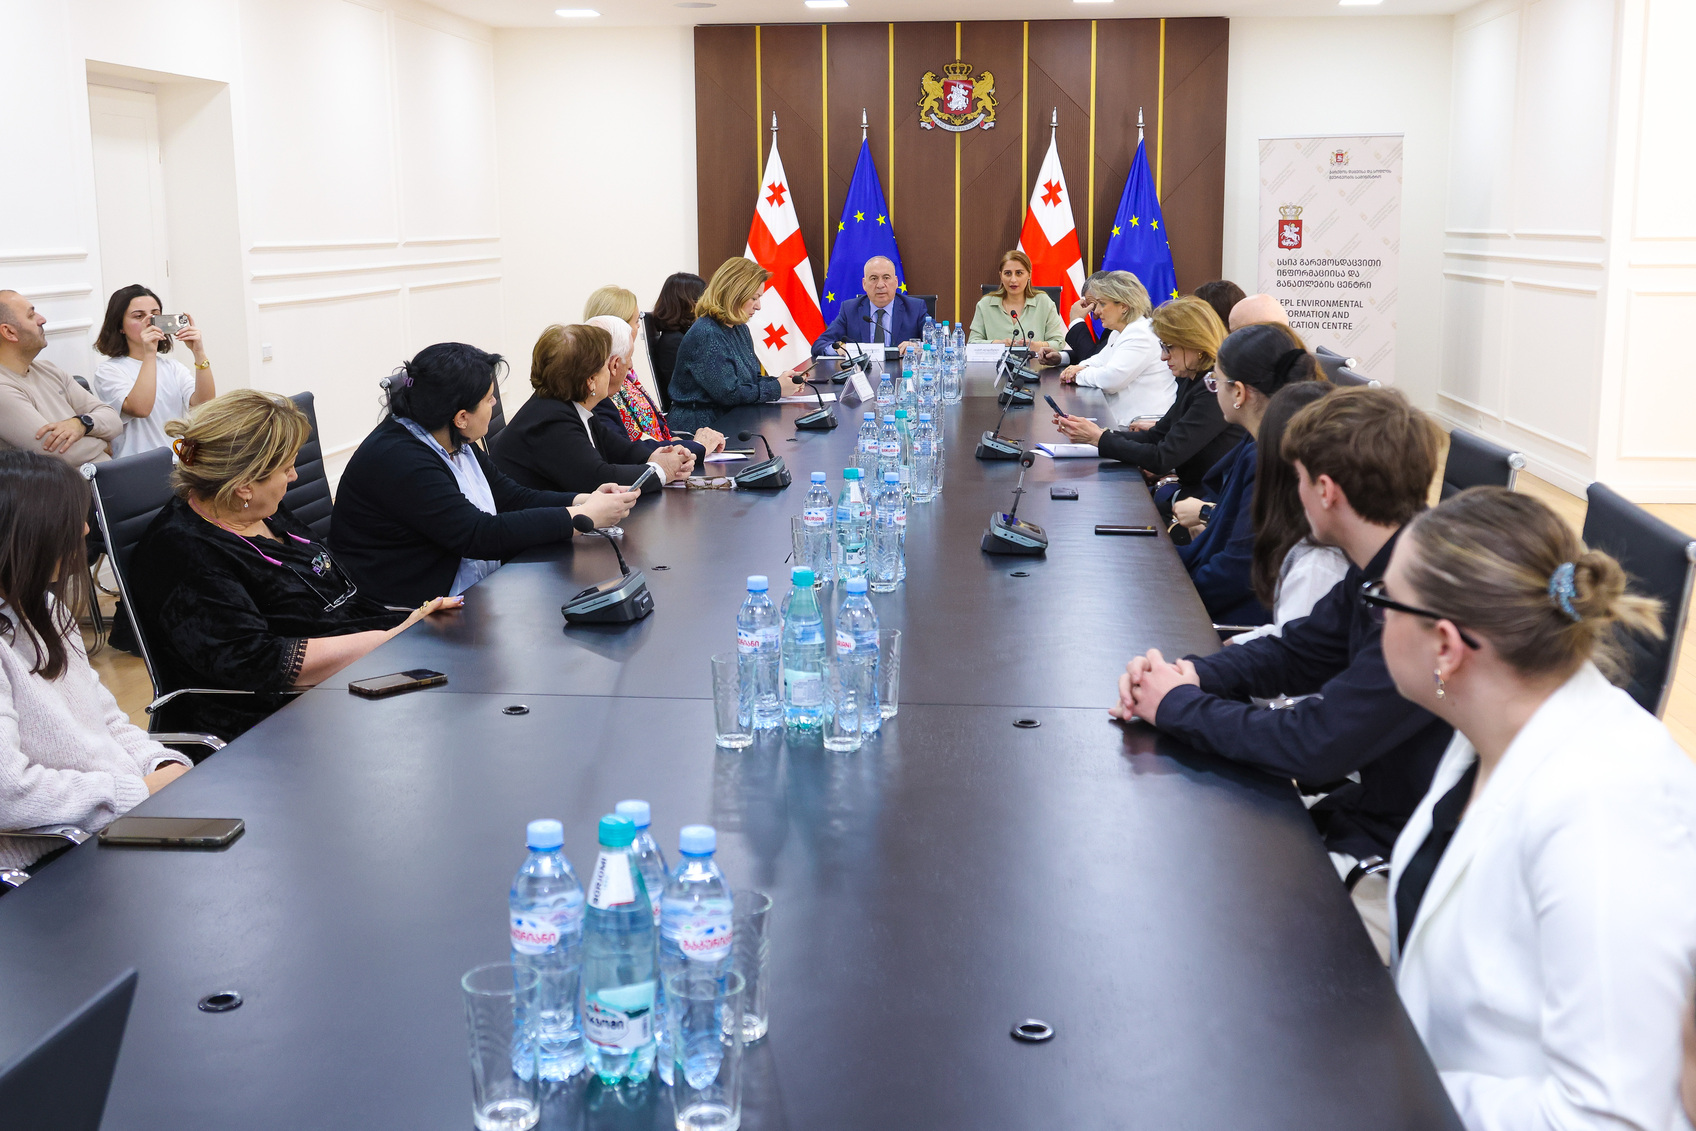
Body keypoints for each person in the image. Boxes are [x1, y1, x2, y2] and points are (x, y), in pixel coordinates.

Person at [1375, 487, 1696, 1130]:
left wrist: (1400, 1092)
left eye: (1383, 602)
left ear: (1446, 647)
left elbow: (1610, 1119)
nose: (1376, 620)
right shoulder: (1491, 724)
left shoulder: (1603, 808)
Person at [1112, 387, 1452, 962]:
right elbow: (1299, 651)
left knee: (1202, 921)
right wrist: (1189, 675)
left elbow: (1315, 744)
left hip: (1406, 863)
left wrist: (1175, 705)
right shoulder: (1390, 562)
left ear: (1325, 491)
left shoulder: (1413, 604)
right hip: (1377, 816)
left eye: (1297, 480)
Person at [125, 392, 460, 739]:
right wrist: (390, 638)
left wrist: (409, 626)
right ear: (244, 487)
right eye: (286, 468)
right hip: (280, 718)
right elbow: (259, 663)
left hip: (357, 669)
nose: (295, 476)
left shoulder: (257, 510)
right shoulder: (184, 554)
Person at [331, 343, 639, 608]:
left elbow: (511, 497)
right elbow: (479, 535)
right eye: (489, 399)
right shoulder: (401, 459)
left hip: (464, 596)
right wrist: (580, 516)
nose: (494, 404)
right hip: (405, 616)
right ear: (461, 417)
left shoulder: (450, 437)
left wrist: (584, 500)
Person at [0, 451, 193, 869]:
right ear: (26, 531)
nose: (86, 530)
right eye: (71, 518)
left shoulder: (45, 608)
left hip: (114, 821)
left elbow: (106, 721)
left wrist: (159, 763)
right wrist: (139, 791)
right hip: (52, 857)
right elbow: (8, 794)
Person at [1172, 324, 1315, 625]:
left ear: (1238, 392)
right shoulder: (1261, 441)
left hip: (1230, 618)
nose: (1212, 389)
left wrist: (1171, 597)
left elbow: (1238, 569)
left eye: (1215, 381)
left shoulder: (1268, 455)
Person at [1051, 296, 1241, 509]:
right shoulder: (1194, 380)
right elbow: (1156, 435)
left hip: (1206, 501)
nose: (1163, 357)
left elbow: (1162, 457)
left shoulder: (1213, 389)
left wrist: (1098, 438)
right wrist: (1097, 433)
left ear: (1196, 345)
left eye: (1169, 347)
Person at [491, 323, 693, 495]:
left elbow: (619, 449)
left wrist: (659, 456)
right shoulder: (551, 420)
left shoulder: (574, 406)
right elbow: (598, 479)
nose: (611, 372)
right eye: (605, 366)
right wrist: (661, 470)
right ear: (591, 380)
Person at [1227, 381, 1349, 644]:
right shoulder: (1315, 551)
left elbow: (1292, 653)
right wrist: (1236, 646)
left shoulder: (1318, 566)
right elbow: (1289, 633)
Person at [667, 258, 811, 434]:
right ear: (734, 294)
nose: (758, 306)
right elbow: (729, 393)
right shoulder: (707, 333)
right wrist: (777, 388)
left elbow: (750, 381)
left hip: (730, 419)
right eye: (754, 298)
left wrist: (782, 382)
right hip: (701, 428)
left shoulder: (740, 329)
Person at [581, 290, 722, 459]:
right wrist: (695, 446)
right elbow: (626, 448)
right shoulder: (600, 389)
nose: (639, 326)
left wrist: (675, 440)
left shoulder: (625, 374)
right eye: (636, 320)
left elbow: (653, 425)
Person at [91, 284, 215, 458]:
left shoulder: (173, 367)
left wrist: (199, 353)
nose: (149, 322)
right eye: (139, 316)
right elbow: (140, 409)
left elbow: (205, 404)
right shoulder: (108, 371)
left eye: (155, 315)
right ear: (120, 326)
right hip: (137, 463)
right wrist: (149, 353)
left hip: (177, 462)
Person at [0, 290, 122, 467]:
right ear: (9, 332)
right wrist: (103, 442)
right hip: (71, 484)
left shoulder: (49, 369)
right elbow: (59, 453)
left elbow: (113, 419)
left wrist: (81, 424)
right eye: (31, 315)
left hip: (108, 476)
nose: (42, 319)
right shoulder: (3, 388)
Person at [1056, 271, 1175, 428]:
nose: (1096, 311)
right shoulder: (1120, 332)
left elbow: (1111, 380)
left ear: (1123, 306)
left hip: (1140, 426)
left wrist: (1077, 375)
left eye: (1102, 304)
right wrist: (1079, 367)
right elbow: (1098, 360)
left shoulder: (1140, 334)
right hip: (1122, 421)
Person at [812, 256, 928, 359]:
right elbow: (819, 344)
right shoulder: (850, 309)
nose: (880, 285)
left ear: (896, 282)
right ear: (864, 284)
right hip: (863, 373)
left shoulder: (915, 308)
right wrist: (839, 349)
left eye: (886, 277)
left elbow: (936, 341)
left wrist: (917, 346)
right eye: (873, 278)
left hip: (902, 372)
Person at [968, 250, 1067, 348]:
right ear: (1001, 276)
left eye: (1019, 273)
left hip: (1033, 359)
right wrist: (996, 344)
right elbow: (972, 343)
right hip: (997, 359)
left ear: (1029, 275)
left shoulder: (1044, 302)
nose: (1013, 280)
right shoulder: (985, 304)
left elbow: (1058, 343)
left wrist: (1038, 346)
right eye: (1008, 273)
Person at [648, 272, 705, 411]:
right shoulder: (673, 342)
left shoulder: (681, 336)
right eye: (703, 299)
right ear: (687, 303)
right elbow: (688, 389)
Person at [1034, 270, 1111, 367]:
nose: (1095, 316)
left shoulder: (1123, 329)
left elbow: (1092, 363)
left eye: (1098, 305)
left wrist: (1077, 320)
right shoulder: (1111, 330)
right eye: (1093, 308)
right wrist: (1061, 357)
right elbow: (1099, 354)